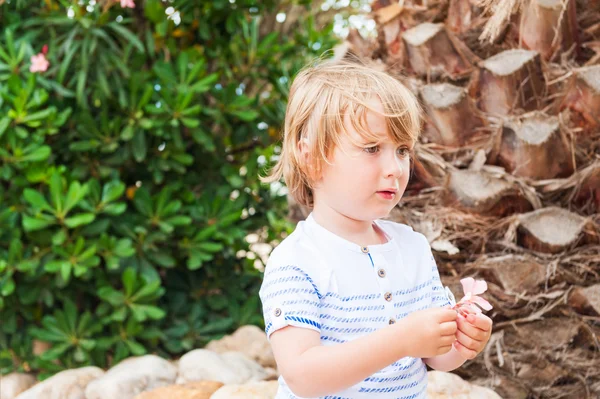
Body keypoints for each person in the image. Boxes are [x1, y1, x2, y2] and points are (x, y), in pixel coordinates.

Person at [258, 58, 493, 399]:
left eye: (401, 151)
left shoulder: (412, 247)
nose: (395, 168)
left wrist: (460, 342)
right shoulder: (296, 261)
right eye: (371, 148)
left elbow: (433, 355)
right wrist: (400, 340)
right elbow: (303, 376)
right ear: (310, 158)